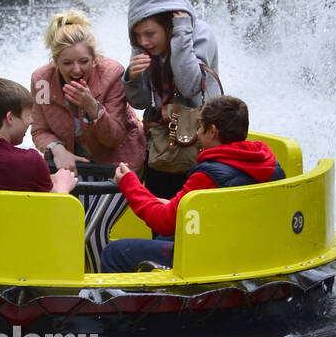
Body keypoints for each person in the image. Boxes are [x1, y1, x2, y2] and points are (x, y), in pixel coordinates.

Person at [100, 96, 284, 273]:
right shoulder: (271, 166)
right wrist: (167, 204)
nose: (197, 133)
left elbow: (162, 221)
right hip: (245, 252)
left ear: (212, 132)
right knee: (167, 237)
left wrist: (129, 183)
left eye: (200, 127)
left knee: (114, 252)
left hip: (208, 259)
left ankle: (147, 304)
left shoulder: (209, 175)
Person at [30, 9, 147, 268]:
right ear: (55, 62)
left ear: (94, 59)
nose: (76, 69)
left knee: (93, 232)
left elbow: (114, 137)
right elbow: (38, 129)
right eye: (67, 63)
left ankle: (104, 292)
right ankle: (72, 287)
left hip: (118, 167)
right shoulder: (41, 81)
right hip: (76, 168)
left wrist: (92, 107)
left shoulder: (112, 74)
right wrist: (56, 148)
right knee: (69, 228)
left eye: (83, 61)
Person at [124, 0, 220, 199]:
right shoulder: (144, 47)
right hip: (164, 148)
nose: (144, 41)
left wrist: (181, 34)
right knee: (160, 217)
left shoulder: (198, 32)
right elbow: (140, 102)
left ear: (168, 25)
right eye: (137, 36)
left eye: (150, 34)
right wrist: (133, 76)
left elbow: (190, 86)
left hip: (201, 144)